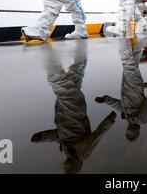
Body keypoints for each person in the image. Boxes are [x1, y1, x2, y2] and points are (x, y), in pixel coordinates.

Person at [30, 41, 116, 174]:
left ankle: (80, 48)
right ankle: (49, 52)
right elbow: (98, 135)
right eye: (67, 169)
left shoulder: (67, 150)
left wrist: (41, 137)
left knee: (74, 77)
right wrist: (110, 119)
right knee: (57, 81)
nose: (64, 166)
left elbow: (58, 136)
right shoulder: (82, 154)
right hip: (74, 110)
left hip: (63, 109)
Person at [95, 38, 147, 141]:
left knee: (134, 61)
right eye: (132, 131)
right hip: (134, 86)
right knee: (127, 62)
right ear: (137, 131)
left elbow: (119, 105)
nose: (130, 128)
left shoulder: (128, 117)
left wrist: (105, 100)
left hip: (126, 85)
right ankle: (122, 35)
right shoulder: (142, 119)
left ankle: (143, 37)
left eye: (128, 130)